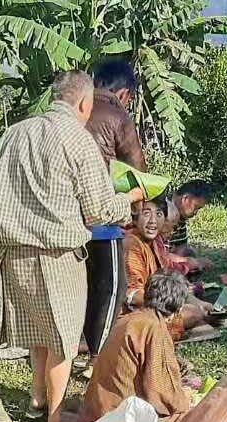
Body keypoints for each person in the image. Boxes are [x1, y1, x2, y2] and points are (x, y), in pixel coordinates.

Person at [0, 70, 144, 422]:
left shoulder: (15, 132)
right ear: (84, 103)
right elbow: (100, 207)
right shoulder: (77, 139)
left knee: (40, 330)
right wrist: (130, 199)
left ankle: (37, 399)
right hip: (56, 253)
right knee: (63, 338)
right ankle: (54, 417)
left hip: (12, 249)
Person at [81, 59, 146, 357]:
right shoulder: (118, 115)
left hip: (67, 216)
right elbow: (137, 170)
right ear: (124, 94)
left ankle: (80, 344)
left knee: (82, 284)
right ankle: (101, 356)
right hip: (104, 217)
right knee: (111, 288)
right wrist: (137, 212)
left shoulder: (75, 108)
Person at [78, 271, 194, 422]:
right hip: (118, 420)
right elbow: (159, 390)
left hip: (96, 409)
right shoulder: (154, 329)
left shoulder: (128, 319)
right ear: (179, 307)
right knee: (187, 415)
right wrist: (183, 398)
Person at [123, 197, 217, 340]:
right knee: (194, 314)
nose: (153, 221)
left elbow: (168, 281)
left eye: (159, 214)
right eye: (147, 214)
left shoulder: (154, 241)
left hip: (156, 306)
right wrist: (174, 307)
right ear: (135, 219)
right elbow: (133, 295)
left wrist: (199, 303)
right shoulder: (131, 245)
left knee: (201, 316)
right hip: (134, 314)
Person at [162, 180, 216, 260]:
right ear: (185, 199)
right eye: (196, 207)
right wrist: (186, 261)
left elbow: (181, 246)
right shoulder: (162, 211)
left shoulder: (181, 216)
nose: (196, 212)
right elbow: (160, 255)